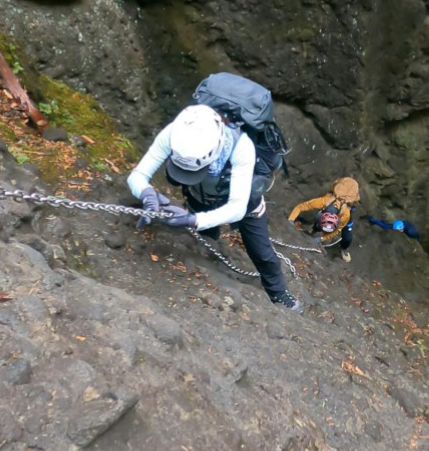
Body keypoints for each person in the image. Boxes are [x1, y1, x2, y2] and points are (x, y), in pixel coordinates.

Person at [127, 104, 302, 312]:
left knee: (261, 251)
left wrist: (193, 220)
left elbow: (237, 208)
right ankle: (209, 254)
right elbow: (137, 176)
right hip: (199, 195)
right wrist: (147, 194)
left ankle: (279, 293)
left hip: (245, 203)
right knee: (206, 234)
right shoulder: (177, 132)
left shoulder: (241, 147)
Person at [287, 177, 360, 262]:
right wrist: (291, 219)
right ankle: (314, 231)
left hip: (344, 213)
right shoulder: (324, 201)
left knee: (347, 237)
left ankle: (344, 249)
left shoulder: (346, 214)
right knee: (318, 221)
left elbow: (338, 230)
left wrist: (322, 239)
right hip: (329, 207)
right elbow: (302, 206)